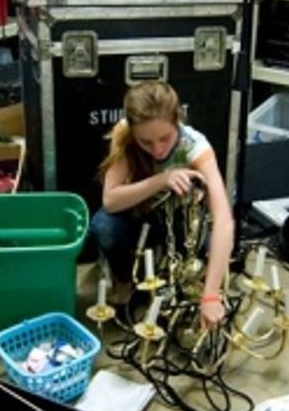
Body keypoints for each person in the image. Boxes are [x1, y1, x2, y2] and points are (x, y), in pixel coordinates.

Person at [92, 82, 234, 328]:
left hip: (178, 223)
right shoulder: (125, 133)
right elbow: (110, 201)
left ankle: (176, 282)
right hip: (136, 217)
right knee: (104, 226)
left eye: (165, 138)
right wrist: (162, 180)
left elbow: (223, 220)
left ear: (177, 120)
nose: (157, 149)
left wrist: (211, 294)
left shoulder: (195, 146)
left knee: (211, 254)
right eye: (145, 142)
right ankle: (124, 279)